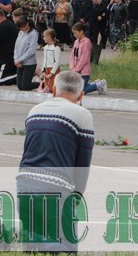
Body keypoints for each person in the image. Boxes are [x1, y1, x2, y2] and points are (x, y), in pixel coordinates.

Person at [17, 70, 94, 253]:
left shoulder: (34, 111)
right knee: (63, 247)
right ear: (81, 95)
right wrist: (76, 197)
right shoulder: (82, 115)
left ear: (53, 91)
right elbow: (82, 165)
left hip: (24, 184)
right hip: (56, 188)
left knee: (32, 245)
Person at [70, 22, 106, 95]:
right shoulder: (76, 42)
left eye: (75, 33)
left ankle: (100, 84)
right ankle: (95, 83)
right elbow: (72, 56)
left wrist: (77, 69)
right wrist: (72, 67)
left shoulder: (86, 42)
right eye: (73, 33)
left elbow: (84, 58)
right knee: (75, 89)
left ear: (81, 32)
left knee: (81, 90)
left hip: (84, 71)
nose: (74, 35)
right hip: (76, 70)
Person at [0, 9, 18, 86]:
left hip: (5, 59)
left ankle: (22, 76)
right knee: (5, 77)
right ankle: (19, 77)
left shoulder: (0, 28)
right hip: (12, 57)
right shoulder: (11, 24)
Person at [13, 16, 39, 91]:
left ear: (27, 24)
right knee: (20, 86)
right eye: (20, 27)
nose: (21, 29)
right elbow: (16, 47)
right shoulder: (21, 32)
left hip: (29, 62)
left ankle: (42, 84)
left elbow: (31, 51)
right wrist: (15, 58)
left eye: (22, 27)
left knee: (25, 86)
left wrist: (20, 59)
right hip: (19, 62)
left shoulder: (33, 34)